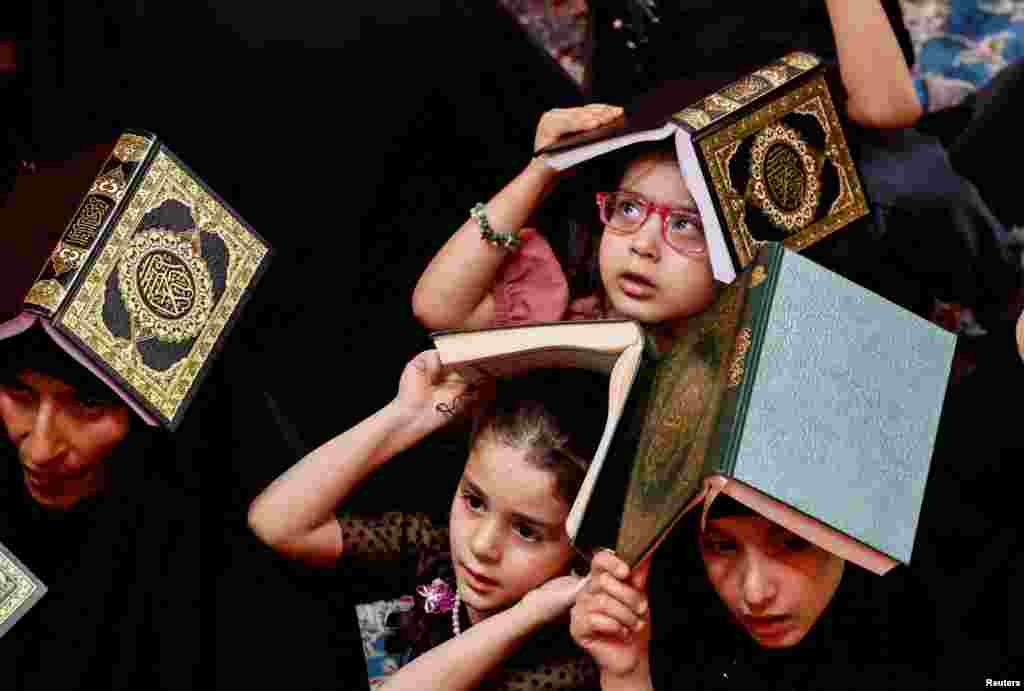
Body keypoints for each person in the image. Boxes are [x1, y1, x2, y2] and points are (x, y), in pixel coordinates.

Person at [249, 352, 607, 690]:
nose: (482, 546)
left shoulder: (567, 665)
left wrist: (524, 616)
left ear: (581, 545)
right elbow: (276, 522)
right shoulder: (430, 552)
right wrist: (408, 415)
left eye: (526, 531)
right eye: (475, 502)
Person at [413, 104, 719, 354]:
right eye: (629, 208)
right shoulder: (556, 312)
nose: (643, 245)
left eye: (684, 224)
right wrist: (544, 169)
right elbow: (437, 307)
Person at [568, 496, 939, 691]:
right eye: (721, 546)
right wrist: (627, 675)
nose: (754, 592)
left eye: (792, 543)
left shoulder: (927, 641)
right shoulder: (682, 640)